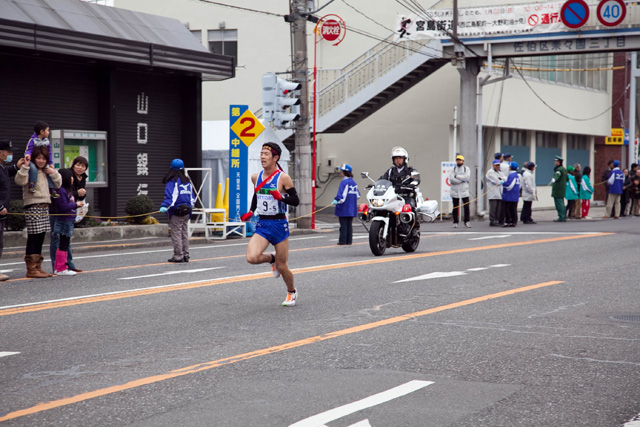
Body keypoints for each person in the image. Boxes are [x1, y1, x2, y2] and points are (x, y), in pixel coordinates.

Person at [241, 142, 300, 307]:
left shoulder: (283, 178)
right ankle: (271, 258)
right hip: (263, 224)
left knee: (283, 267)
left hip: (279, 224)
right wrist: (251, 211)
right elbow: (257, 194)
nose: (262, 157)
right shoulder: (256, 177)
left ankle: (291, 292)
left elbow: (295, 200)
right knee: (251, 257)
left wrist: (281, 197)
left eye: (266, 154)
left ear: (275, 158)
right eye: (261, 154)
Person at [15, 146, 61, 278]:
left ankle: (37, 267)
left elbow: (58, 184)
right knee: (33, 237)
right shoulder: (30, 169)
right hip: (33, 204)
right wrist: (25, 167)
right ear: (34, 158)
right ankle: (31, 269)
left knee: (40, 237)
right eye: (38, 158)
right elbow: (19, 180)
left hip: (45, 205)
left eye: (43, 158)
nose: (41, 161)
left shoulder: (46, 171)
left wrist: (53, 172)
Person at [50, 156, 89, 273]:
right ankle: (57, 266)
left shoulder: (82, 179)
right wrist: (77, 197)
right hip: (59, 213)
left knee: (65, 239)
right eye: (78, 165)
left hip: (69, 213)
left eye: (83, 166)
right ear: (73, 165)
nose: (80, 168)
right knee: (57, 238)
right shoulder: (65, 177)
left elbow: (73, 197)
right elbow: (65, 199)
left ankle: (67, 264)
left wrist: (81, 196)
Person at [160, 159, 195, 263]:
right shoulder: (187, 181)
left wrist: (165, 206)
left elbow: (171, 196)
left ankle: (178, 256)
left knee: (176, 233)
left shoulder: (173, 181)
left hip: (177, 211)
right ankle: (186, 255)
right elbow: (192, 198)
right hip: (187, 211)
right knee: (184, 233)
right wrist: (191, 207)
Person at [0, 139, 25, 281]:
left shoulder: (2, 166)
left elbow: (5, 174)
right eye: (8, 152)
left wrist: (16, 166)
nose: (10, 154)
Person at [25, 121, 57, 198]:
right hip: (32, 161)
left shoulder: (47, 141)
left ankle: (51, 189)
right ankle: (32, 185)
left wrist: (50, 163)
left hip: (43, 161)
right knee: (33, 168)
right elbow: (28, 149)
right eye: (47, 130)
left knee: (48, 170)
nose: (49, 132)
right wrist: (28, 155)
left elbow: (49, 152)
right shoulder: (33, 140)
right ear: (42, 132)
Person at [332, 164, 360, 246]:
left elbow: (341, 195)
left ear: (344, 172)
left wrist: (336, 200)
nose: (340, 172)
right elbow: (358, 195)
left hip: (344, 208)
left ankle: (342, 241)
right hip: (352, 208)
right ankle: (349, 241)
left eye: (342, 171)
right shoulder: (354, 182)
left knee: (343, 225)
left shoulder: (344, 182)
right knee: (349, 225)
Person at [449, 154, 471, 228]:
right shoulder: (453, 169)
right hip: (455, 190)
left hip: (464, 190)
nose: (459, 161)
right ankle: (455, 222)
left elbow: (467, 177)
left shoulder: (466, 169)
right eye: (457, 160)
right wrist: (461, 180)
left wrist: (457, 177)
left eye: (460, 160)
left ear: (463, 161)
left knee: (466, 206)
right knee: (455, 207)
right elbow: (452, 179)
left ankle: (467, 221)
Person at [485, 159, 505, 226]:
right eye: (496, 165)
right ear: (493, 165)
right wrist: (500, 180)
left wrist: (501, 179)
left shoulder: (500, 172)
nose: (497, 166)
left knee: (498, 208)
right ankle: (492, 220)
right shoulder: (490, 172)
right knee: (493, 208)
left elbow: (505, 178)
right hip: (493, 193)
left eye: (498, 165)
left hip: (499, 193)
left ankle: (497, 220)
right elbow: (496, 181)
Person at [501, 161, 520, 227]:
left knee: (508, 209)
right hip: (515, 196)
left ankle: (508, 221)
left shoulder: (512, 175)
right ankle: (513, 221)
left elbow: (509, 186)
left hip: (510, 196)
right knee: (513, 209)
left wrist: (503, 183)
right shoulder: (517, 175)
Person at [551, 155, 568, 222]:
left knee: (559, 204)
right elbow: (567, 178)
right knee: (562, 203)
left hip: (558, 189)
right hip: (562, 189)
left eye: (556, 161)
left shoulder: (559, 169)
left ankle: (561, 216)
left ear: (559, 162)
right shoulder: (564, 169)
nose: (555, 162)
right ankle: (563, 216)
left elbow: (557, 175)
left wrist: (554, 179)